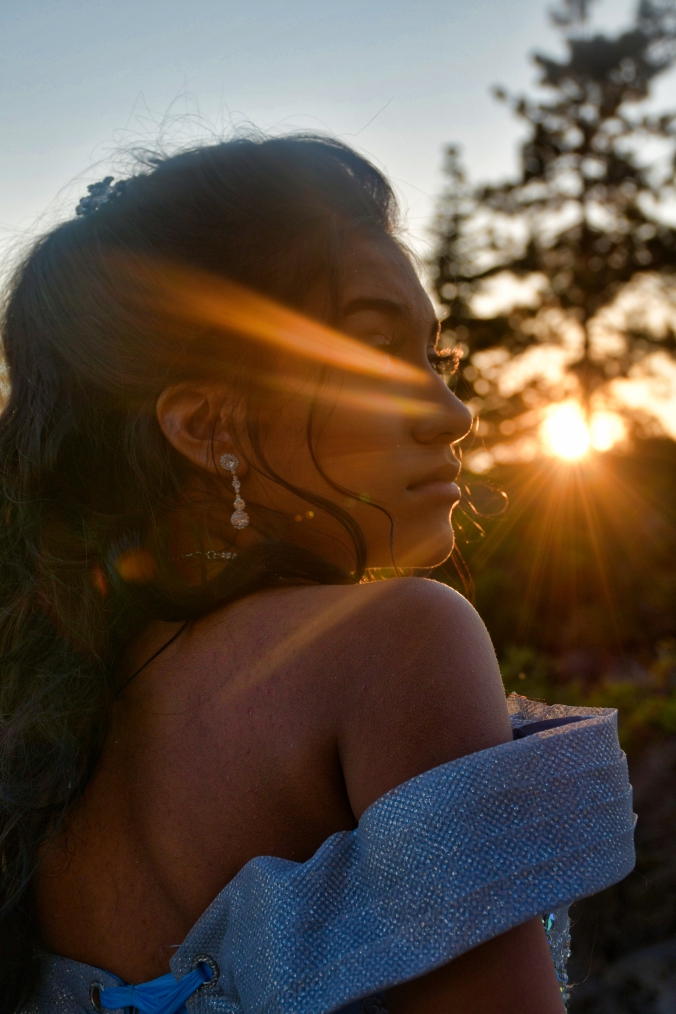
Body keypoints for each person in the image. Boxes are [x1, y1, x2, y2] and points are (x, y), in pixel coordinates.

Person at [0, 135, 634, 1014]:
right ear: (205, 426)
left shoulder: (46, 718)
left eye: (436, 359)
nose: (454, 413)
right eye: (376, 351)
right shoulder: (396, 640)